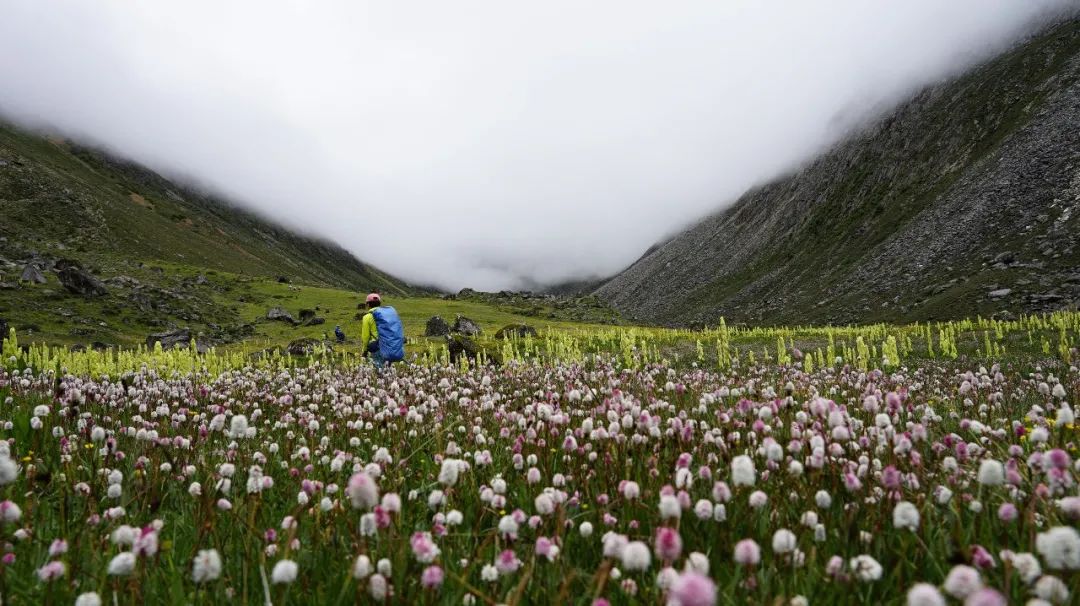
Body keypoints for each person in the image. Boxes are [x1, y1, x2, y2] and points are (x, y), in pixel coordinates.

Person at [360, 293, 405, 369]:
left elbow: (365, 337)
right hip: (389, 346)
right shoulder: (387, 314)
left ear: (368, 304)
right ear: (379, 303)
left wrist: (364, 351)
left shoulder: (366, 317)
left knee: (380, 372)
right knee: (388, 371)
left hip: (377, 348)